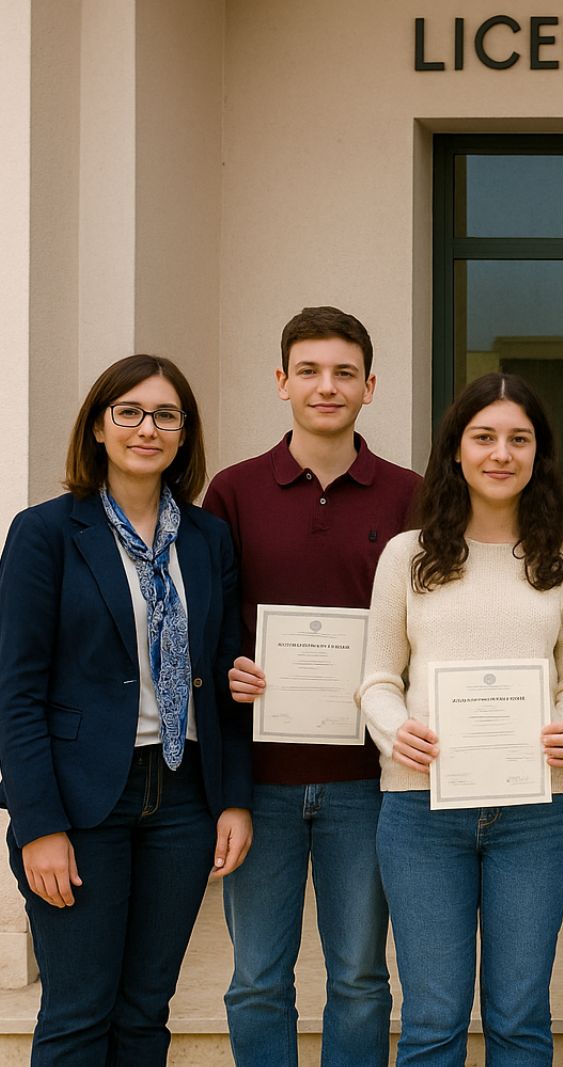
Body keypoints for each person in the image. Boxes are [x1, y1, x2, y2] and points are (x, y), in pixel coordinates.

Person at [0, 354, 252, 1062]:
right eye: (130, 412)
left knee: (145, 1012)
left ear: (184, 435)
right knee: (79, 1011)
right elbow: (13, 691)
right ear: (99, 428)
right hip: (81, 804)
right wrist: (39, 824)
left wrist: (232, 799)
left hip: (182, 799)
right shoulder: (45, 533)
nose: (149, 428)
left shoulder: (207, 539)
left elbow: (224, 672)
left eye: (166, 415)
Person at [356, 372, 563, 1064]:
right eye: (484, 437)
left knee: (520, 1019)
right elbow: (375, 679)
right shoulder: (408, 554)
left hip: (538, 810)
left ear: (538, 454)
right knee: (432, 1019)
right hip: (421, 806)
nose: (501, 453)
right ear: (455, 450)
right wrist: (396, 727)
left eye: (519, 439)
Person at [208, 306, 419, 1066]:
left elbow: (421, 631)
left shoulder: (409, 495)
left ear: (370, 386)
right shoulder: (232, 491)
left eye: (342, 373)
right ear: (281, 381)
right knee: (257, 979)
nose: (324, 386)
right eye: (308, 370)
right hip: (259, 777)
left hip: (369, 780)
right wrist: (231, 660)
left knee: (361, 976)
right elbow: (210, 621)